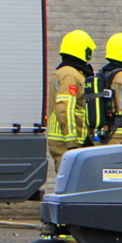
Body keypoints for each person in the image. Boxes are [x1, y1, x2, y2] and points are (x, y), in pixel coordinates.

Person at [47, 30, 96, 171]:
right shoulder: (70, 75)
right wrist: (72, 142)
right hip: (67, 142)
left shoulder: (69, 72)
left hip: (67, 141)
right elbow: (65, 107)